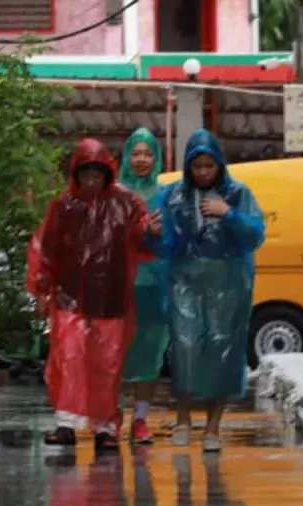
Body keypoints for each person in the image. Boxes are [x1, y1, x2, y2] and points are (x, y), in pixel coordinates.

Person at [29, 138, 150, 452]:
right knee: (68, 359)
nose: (92, 181)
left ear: (106, 174)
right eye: (86, 174)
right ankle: (66, 424)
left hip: (110, 297)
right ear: (77, 174)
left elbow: (144, 242)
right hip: (70, 296)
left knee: (106, 364)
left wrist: (150, 233)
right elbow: (46, 250)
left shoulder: (126, 203)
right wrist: (42, 286)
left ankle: (105, 428)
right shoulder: (62, 207)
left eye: (97, 174)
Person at [149, 129, 265, 452]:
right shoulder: (172, 196)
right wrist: (151, 232)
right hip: (184, 281)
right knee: (184, 348)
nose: (202, 172)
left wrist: (229, 215)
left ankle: (213, 427)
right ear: (188, 166)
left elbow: (255, 234)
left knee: (223, 350)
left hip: (228, 283)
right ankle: (183, 418)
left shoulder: (238, 194)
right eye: (196, 166)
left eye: (208, 165)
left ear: (219, 165)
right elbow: (161, 245)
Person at [117, 128, 171, 445]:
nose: (141, 160)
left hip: (154, 284)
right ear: (126, 156)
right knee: (117, 350)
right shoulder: (116, 193)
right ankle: (113, 417)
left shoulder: (165, 194)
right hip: (122, 284)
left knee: (150, 351)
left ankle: (140, 419)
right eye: (135, 153)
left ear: (156, 158)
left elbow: (174, 238)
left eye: (147, 154)